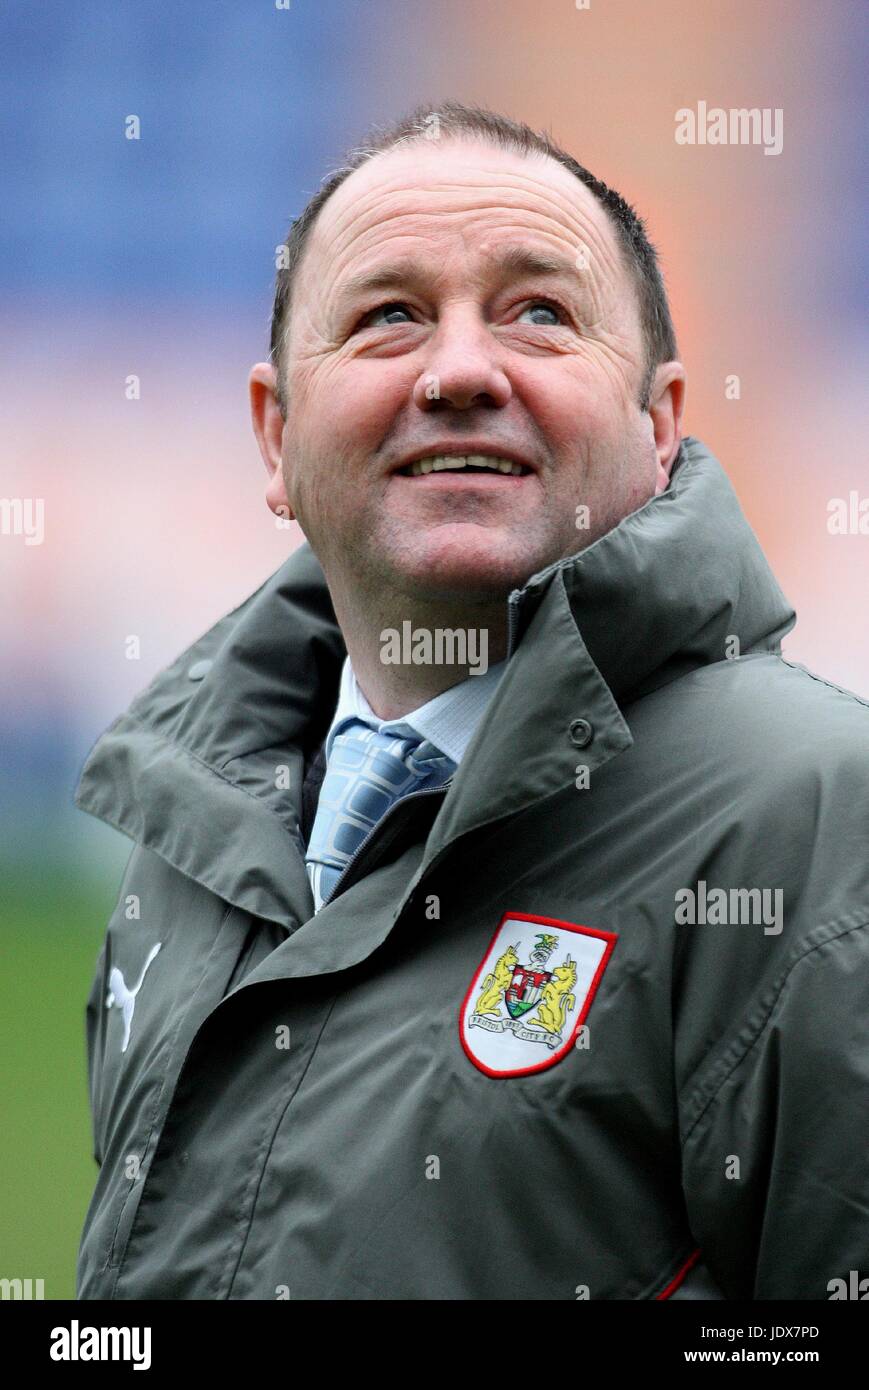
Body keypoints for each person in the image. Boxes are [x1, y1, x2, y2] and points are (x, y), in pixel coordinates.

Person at [74, 101, 868, 1300]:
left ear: (659, 428)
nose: (456, 371)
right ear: (275, 433)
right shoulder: (190, 836)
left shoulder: (811, 815)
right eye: (388, 315)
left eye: (538, 313)